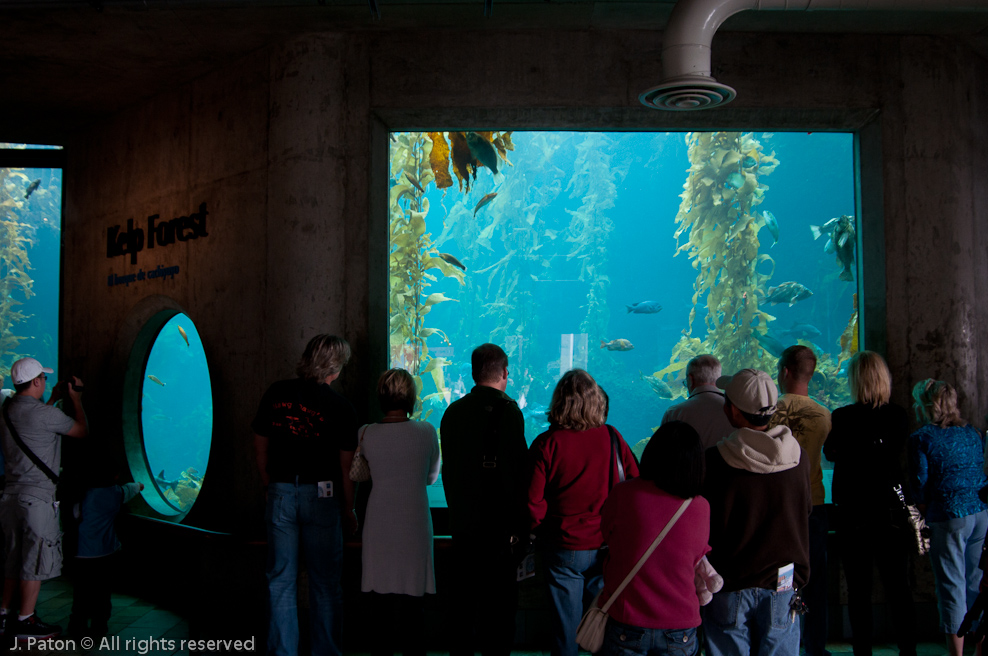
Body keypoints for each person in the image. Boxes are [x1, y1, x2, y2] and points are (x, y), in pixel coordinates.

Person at [253, 335, 359, 656]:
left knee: (280, 581)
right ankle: (326, 653)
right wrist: (349, 509)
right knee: (325, 584)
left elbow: (260, 445)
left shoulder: (277, 392)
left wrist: (271, 483)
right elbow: (346, 469)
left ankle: (282, 652)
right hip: (323, 496)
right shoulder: (341, 407)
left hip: (281, 491)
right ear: (336, 367)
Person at [527, 368, 640, 656]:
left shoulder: (547, 443)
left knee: (565, 629)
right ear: (596, 401)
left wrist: (538, 527)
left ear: (560, 401)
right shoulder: (613, 437)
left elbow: (533, 501)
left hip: (564, 546)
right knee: (603, 623)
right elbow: (635, 482)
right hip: (606, 545)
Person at [702, 368, 810, 655]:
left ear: (734, 412)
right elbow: (805, 512)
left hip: (729, 582)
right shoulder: (798, 459)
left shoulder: (714, 461)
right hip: (783, 583)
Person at [823, 351, 917, 656]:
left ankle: (862, 651)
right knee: (899, 588)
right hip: (890, 511)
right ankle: (908, 650)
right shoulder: (899, 416)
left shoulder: (842, 416)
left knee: (859, 590)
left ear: (855, 380)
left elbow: (831, 453)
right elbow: (892, 452)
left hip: (854, 514)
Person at [440, 343, 528, 656]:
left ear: (474, 373)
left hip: (463, 528)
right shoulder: (509, 412)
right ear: (504, 373)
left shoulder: (453, 413)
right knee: (499, 613)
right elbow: (517, 473)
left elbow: (448, 472)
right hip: (499, 532)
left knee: (462, 609)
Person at [596, 421, 710, 656]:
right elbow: (695, 557)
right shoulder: (701, 507)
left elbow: (607, 534)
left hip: (628, 619)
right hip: (681, 626)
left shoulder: (624, 493)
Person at [0, 357, 88, 640]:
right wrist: (76, 399)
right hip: (37, 497)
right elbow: (81, 431)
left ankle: (3, 615)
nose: (45, 382)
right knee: (35, 559)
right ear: (36, 381)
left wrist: (51, 398)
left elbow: (33, 424)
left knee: (13, 557)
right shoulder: (45, 415)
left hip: (10, 496)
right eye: (44, 379)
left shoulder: (7, 409)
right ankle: (25, 621)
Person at [360, 368, 440, 656]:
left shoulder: (366, 433)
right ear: (411, 397)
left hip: (379, 521)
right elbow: (431, 478)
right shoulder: (427, 432)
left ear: (381, 396)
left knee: (380, 605)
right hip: (415, 522)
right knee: (413, 606)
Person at [909, 378, 988, 656]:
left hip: (948, 516)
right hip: (980, 513)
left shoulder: (922, 437)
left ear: (925, 406)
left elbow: (919, 483)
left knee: (951, 585)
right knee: (978, 584)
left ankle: (956, 654)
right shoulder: (974, 433)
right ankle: (980, 649)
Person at [768, 345, 832, 656]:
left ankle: (780, 640)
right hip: (814, 506)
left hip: (778, 508)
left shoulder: (769, 411)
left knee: (781, 579)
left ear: (784, 372)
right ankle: (816, 647)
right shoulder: (824, 415)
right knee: (816, 580)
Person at [67, 463, 144, 641]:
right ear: (115, 476)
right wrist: (140, 485)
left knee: (81, 592)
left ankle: (77, 625)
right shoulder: (116, 493)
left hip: (81, 553)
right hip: (107, 553)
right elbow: (134, 487)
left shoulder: (81, 493)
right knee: (102, 592)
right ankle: (99, 626)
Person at [661, 355, 734, 450]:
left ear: (690, 380)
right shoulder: (736, 410)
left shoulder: (674, 413)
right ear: (719, 378)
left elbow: (662, 453)